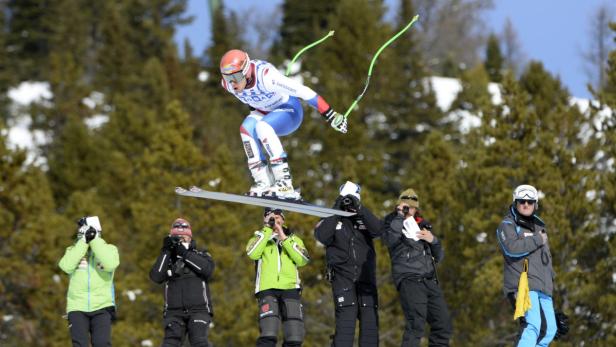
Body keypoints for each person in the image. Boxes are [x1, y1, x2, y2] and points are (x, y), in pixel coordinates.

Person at [219, 49, 347, 199]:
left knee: (263, 127)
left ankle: (284, 183)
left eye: (236, 76)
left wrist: (331, 115)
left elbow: (304, 92)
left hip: (290, 111)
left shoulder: (267, 77)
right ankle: (263, 181)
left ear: (246, 70)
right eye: (227, 77)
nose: (232, 82)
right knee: (246, 129)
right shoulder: (228, 85)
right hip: (266, 113)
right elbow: (253, 100)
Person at [314, 181, 383, 347]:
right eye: (346, 200)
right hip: (342, 278)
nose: (349, 204)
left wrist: (360, 209)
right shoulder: (331, 218)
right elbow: (322, 236)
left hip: (366, 278)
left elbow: (379, 230)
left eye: (352, 200)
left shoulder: (364, 219)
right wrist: (336, 210)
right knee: (345, 328)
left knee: (370, 330)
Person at [382, 189, 452, 347]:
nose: (409, 210)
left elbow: (439, 257)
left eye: (412, 207)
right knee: (416, 323)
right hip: (409, 279)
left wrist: (433, 240)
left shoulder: (423, 224)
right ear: (399, 206)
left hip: (429, 279)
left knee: (443, 324)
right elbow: (389, 240)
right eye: (406, 206)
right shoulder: (391, 222)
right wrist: (400, 216)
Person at [496, 185, 557, 346]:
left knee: (549, 329)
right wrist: (537, 240)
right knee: (533, 325)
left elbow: (545, 261)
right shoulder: (508, 224)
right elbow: (511, 248)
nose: (526, 204)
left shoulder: (539, 226)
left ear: (535, 204)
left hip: (543, 287)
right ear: (515, 202)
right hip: (522, 285)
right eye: (521, 201)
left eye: (530, 202)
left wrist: (550, 285)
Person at [246, 208, 310, 347]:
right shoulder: (260, 237)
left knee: (295, 337)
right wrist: (267, 229)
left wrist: (283, 236)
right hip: (267, 288)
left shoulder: (294, 239)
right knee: (268, 334)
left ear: (283, 219)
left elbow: (303, 259)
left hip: (290, 289)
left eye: (277, 217)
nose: (275, 220)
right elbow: (252, 253)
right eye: (271, 217)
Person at [149, 218, 215, 347]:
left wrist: (184, 253)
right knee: (170, 342)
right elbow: (156, 277)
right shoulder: (168, 259)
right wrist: (166, 250)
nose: (181, 240)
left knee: (199, 341)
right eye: (177, 238)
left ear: (190, 237)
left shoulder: (201, 254)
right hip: (173, 312)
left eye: (184, 237)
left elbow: (207, 270)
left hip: (199, 310)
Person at [58, 216, 120, 347]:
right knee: (79, 344)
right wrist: (83, 242)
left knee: (102, 343)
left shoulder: (110, 249)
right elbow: (65, 266)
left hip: (102, 306)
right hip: (77, 306)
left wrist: (95, 240)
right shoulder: (73, 250)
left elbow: (110, 263)